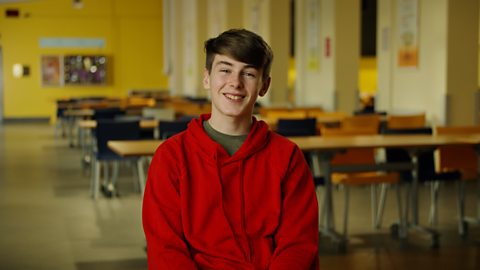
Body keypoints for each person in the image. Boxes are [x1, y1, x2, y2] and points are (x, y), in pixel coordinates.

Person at [143, 28, 319, 270]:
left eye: (248, 73)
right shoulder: (171, 157)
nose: (235, 83)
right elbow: (165, 249)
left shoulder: (287, 157)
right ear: (207, 78)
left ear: (264, 85)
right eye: (225, 70)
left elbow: (298, 243)